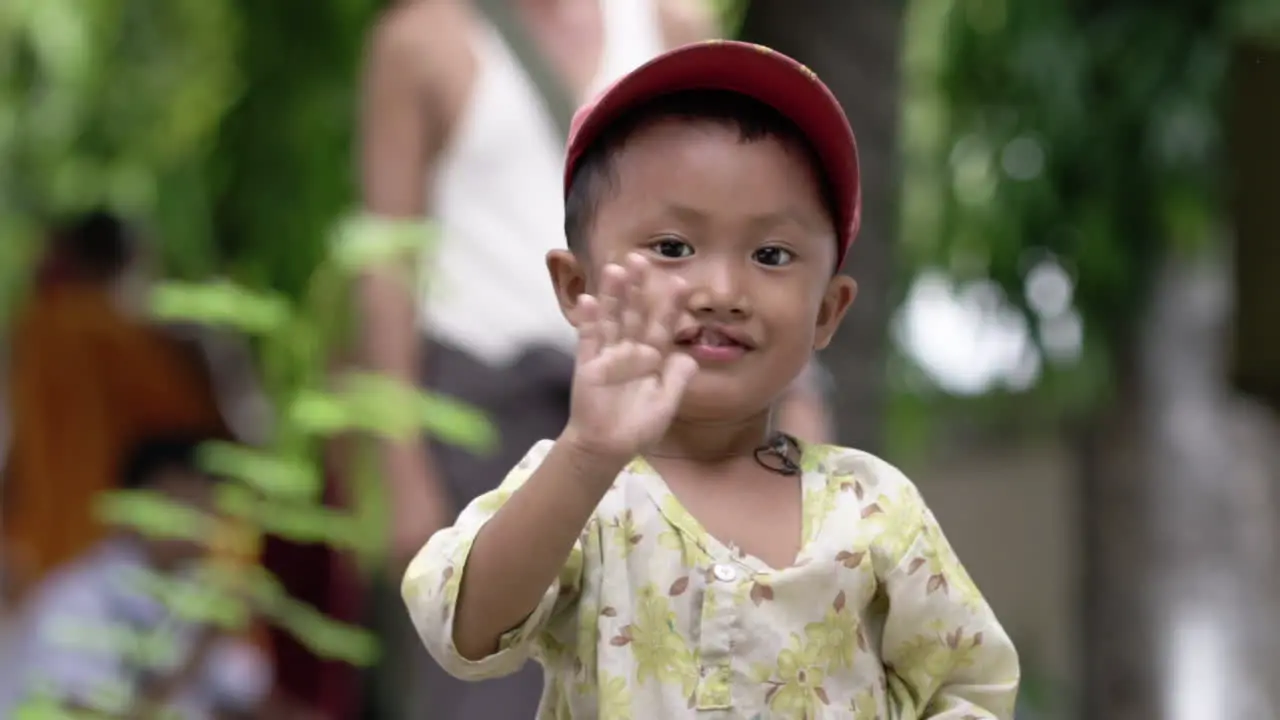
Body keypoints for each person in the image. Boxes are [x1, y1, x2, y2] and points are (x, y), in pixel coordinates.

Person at [402, 40, 1021, 718]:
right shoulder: (583, 496)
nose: (722, 289)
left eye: (771, 254)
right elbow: (462, 629)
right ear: (578, 287)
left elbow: (970, 685)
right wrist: (587, 454)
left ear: (827, 310)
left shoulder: (874, 510)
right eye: (672, 248)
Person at [3, 212, 230, 598]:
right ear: (123, 262)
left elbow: (17, 443)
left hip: (44, 544)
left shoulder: (34, 329)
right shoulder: (126, 333)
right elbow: (194, 425)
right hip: (120, 542)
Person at [0, 435, 274, 719]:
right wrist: (204, 644)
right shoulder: (77, 599)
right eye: (185, 500)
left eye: (209, 500)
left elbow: (246, 699)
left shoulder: (194, 590)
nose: (203, 518)